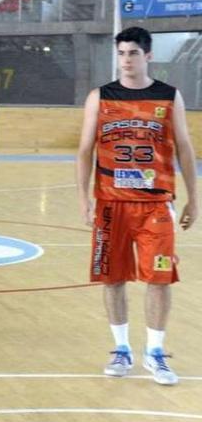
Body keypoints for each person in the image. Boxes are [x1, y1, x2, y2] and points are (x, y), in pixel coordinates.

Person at [76, 26, 197, 386]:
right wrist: (84, 199)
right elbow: (85, 150)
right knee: (113, 278)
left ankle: (156, 353)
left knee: (159, 279)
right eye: (122, 53)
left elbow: (186, 150)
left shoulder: (168, 97)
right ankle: (122, 349)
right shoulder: (100, 97)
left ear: (148, 56)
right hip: (111, 204)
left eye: (133, 53)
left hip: (156, 205)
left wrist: (195, 198)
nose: (126, 60)